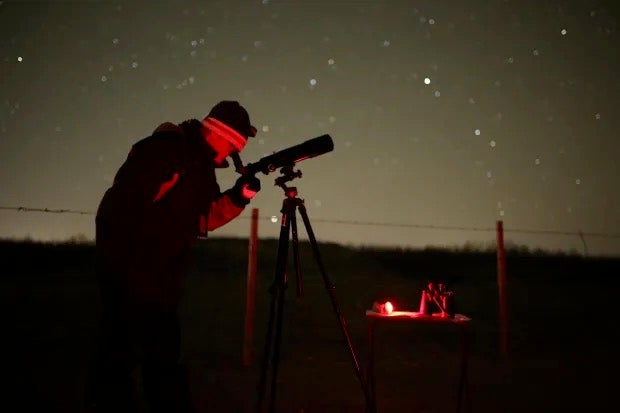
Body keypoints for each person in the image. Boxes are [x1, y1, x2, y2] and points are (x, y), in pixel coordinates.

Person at [88, 101, 261, 412]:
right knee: (118, 362)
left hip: (162, 282)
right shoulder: (167, 151)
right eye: (234, 145)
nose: (233, 154)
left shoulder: (202, 168)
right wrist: (126, 270)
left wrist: (239, 196)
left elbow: (201, 220)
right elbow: (120, 210)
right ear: (220, 133)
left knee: (164, 362)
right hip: (131, 277)